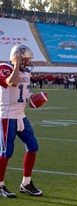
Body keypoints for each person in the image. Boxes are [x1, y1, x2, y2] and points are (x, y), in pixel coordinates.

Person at [0, 45, 43, 198]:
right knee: (6, 152)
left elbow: (23, 93)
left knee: (32, 146)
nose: (27, 62)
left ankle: (26, 183)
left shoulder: (25, 72)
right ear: (16, 57)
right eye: (25, 59)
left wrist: (33, 98)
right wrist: (16, 65)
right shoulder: (4, 67)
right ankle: (0, 184)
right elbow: (11, 83)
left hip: (20, 115)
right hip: (6, 115)